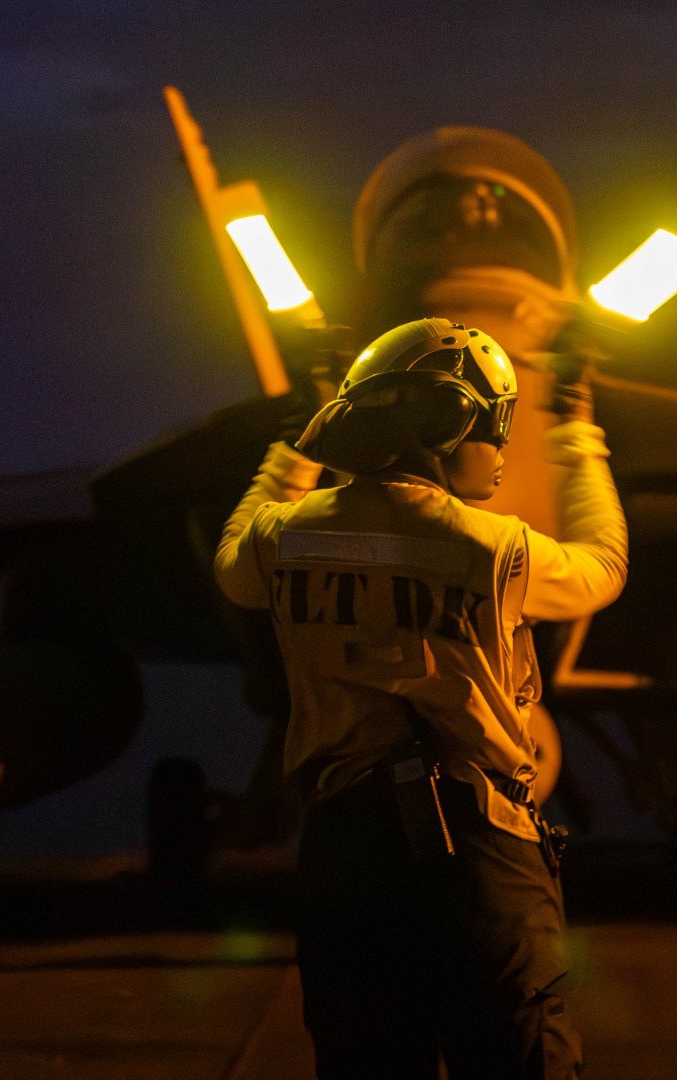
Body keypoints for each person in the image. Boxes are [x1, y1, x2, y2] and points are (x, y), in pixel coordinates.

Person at [213, 316, 627, 1079]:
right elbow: (603, 566)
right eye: (495, 427)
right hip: (483, 854)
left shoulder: (278, 537)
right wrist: (575, 430)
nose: (501, 451)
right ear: (452, 423)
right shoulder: (492, 547)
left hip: (341, 855)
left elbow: (232, 557)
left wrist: (289, 447)